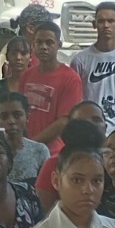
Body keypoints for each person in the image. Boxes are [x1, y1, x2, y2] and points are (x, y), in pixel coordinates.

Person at [69, 2, 115, 133]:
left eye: (111, 21)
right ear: (94, 24)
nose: (106, 25)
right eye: (101, 21)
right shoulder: (80, 60)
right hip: (90, 130)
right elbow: (75, 99)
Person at [18, 21, 82, 154]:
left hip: (54, 152)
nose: (43, 47)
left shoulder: (70, 78)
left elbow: (64, 121)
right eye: (39, 42)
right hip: (25, 149)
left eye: (49, 42)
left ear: (59, 45)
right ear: (33, 45)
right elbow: (19, 111)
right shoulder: (27, 75)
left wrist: (32, 144)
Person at [36, 105, 105, 210]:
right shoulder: (53, 164)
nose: (89, 124)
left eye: (96, 120)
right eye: (77, 180)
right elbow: (46, 210)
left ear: (106, 126)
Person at [0, 91, 50, 184]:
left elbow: (46, 187)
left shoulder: (39, 151)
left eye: (17, 115)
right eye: (4, 117)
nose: (11, 121)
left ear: (27, 117)